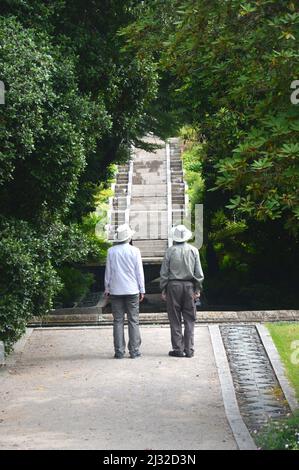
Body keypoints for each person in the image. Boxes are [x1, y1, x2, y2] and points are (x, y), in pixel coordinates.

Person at [160, 225, 204, 358]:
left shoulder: (170, 251)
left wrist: (163, 289)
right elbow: (199, 273)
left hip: (173, 287)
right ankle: (189, 349)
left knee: (175, 319)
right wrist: (197, 289)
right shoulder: (193, 250)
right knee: (190, 319)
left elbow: (164, 273)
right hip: (189, 286)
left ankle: (178, 349)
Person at [104, 224, 145, 359]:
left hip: (116, 290)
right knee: (133, 320)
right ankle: (134, 351)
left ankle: (119, 352)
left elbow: (108, 272)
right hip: (132, 289)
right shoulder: (135, 251)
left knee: (118, 321)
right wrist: (142, 289)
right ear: (129, 238)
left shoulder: (111, 251)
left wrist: (107, 288)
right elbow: (139, 272)